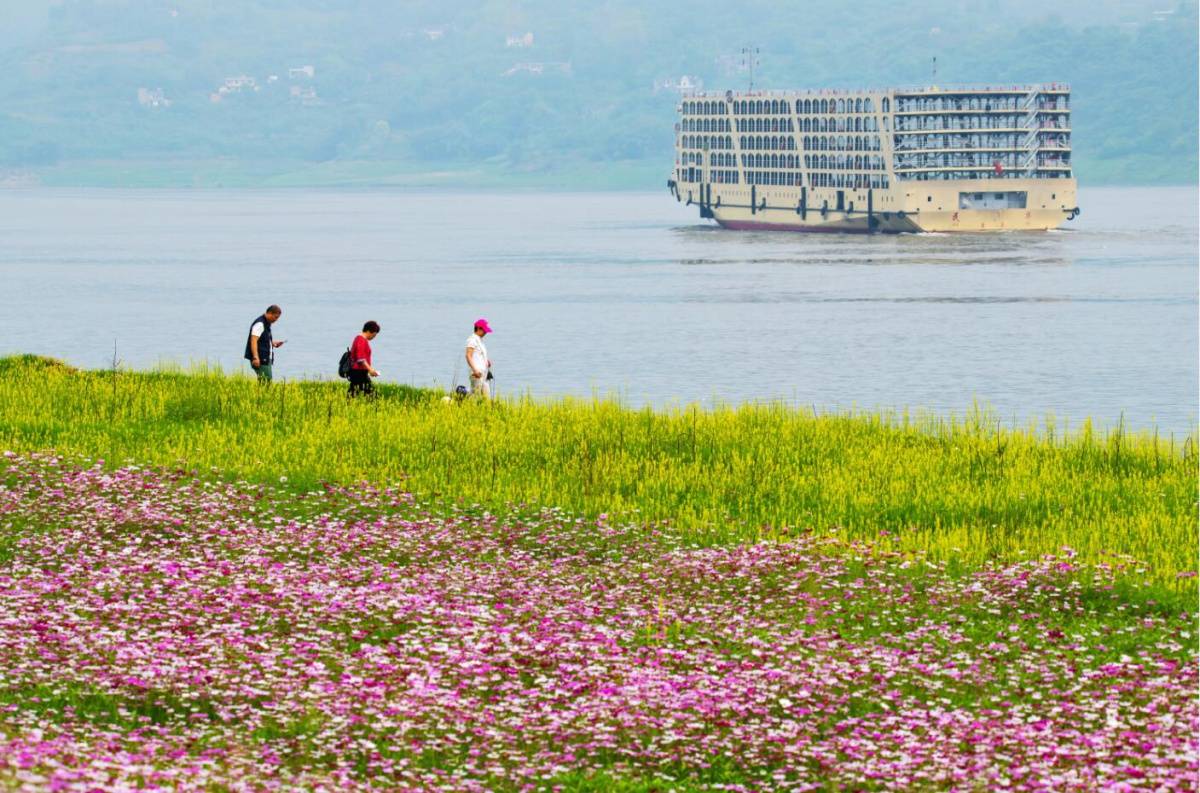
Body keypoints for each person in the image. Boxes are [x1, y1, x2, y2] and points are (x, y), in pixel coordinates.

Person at [245, 305, 285, 382]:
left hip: (265, 357)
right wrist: (255, 357)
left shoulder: (266, 323)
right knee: (266, 380)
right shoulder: (260, 324)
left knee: (266, 380)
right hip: (260, 358)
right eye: (275, 317)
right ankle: (261, 394)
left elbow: (261, 339)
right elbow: (253, 341)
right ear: (270, 313)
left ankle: (262, 394)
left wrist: (272, 343)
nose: (276, 320)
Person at [349, 321, 381, 397]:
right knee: (372, 395)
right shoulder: (361, 340)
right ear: (369, 331)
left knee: (353, 394)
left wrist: (369, 370)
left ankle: (347, 406)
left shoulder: (359, 339)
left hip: (358, 372)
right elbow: (361, 359)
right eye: (374, 335)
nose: (373, 337)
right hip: (359, 372)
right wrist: (370, 370)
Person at [464, 318, 493, 399]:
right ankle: (464, 405)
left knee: (486, 397)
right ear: (479, 328)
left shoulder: (479, 341)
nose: (486, 332)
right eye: (484, 330)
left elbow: (478, 355)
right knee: (475, 395)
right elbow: (468, 355)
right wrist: (475, 370)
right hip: (476, 373)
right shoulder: (472, 340)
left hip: (483, 373)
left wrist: (486, 361)